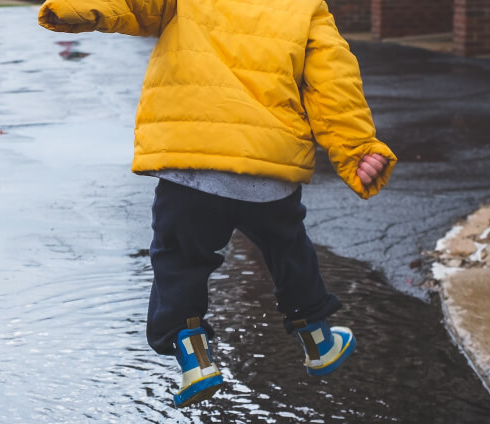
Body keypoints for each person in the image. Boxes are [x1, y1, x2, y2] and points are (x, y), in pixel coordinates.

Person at [37, 0, 397, 408]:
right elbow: (334, 83)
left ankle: (194, 357)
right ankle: (318, 339)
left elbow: (131, 4)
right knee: (288, 249)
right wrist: (356, 149)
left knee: (180, 259)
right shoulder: (306, 7)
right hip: (269, 165)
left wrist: (73, 8)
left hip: (193, 162)